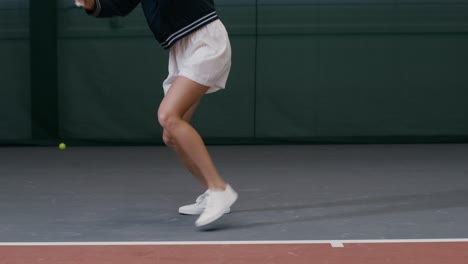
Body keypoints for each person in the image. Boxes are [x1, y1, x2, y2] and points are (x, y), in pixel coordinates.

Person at [75, 0, 238, 228]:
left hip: (205, 41)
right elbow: (118, 6)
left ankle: (220, 189)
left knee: (168, 115)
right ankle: (212, 191)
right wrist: (91, 3)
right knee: (171, 135)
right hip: (181, 49)